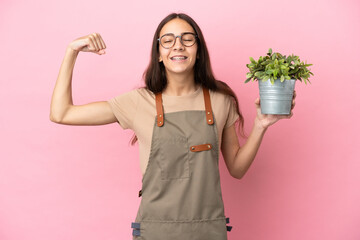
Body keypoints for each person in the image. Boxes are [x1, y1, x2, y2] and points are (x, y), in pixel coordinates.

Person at [50, 12, 295, 240]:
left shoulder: (221, 101)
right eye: (168, 40)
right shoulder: (138, 102)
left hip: (208, 231)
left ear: (198, 51)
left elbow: (237, 169)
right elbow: (62, 113)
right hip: (155, 231)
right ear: (158, 53)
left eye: (188, 39)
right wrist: (71, 51)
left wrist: (261, 125)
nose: (178, 45)